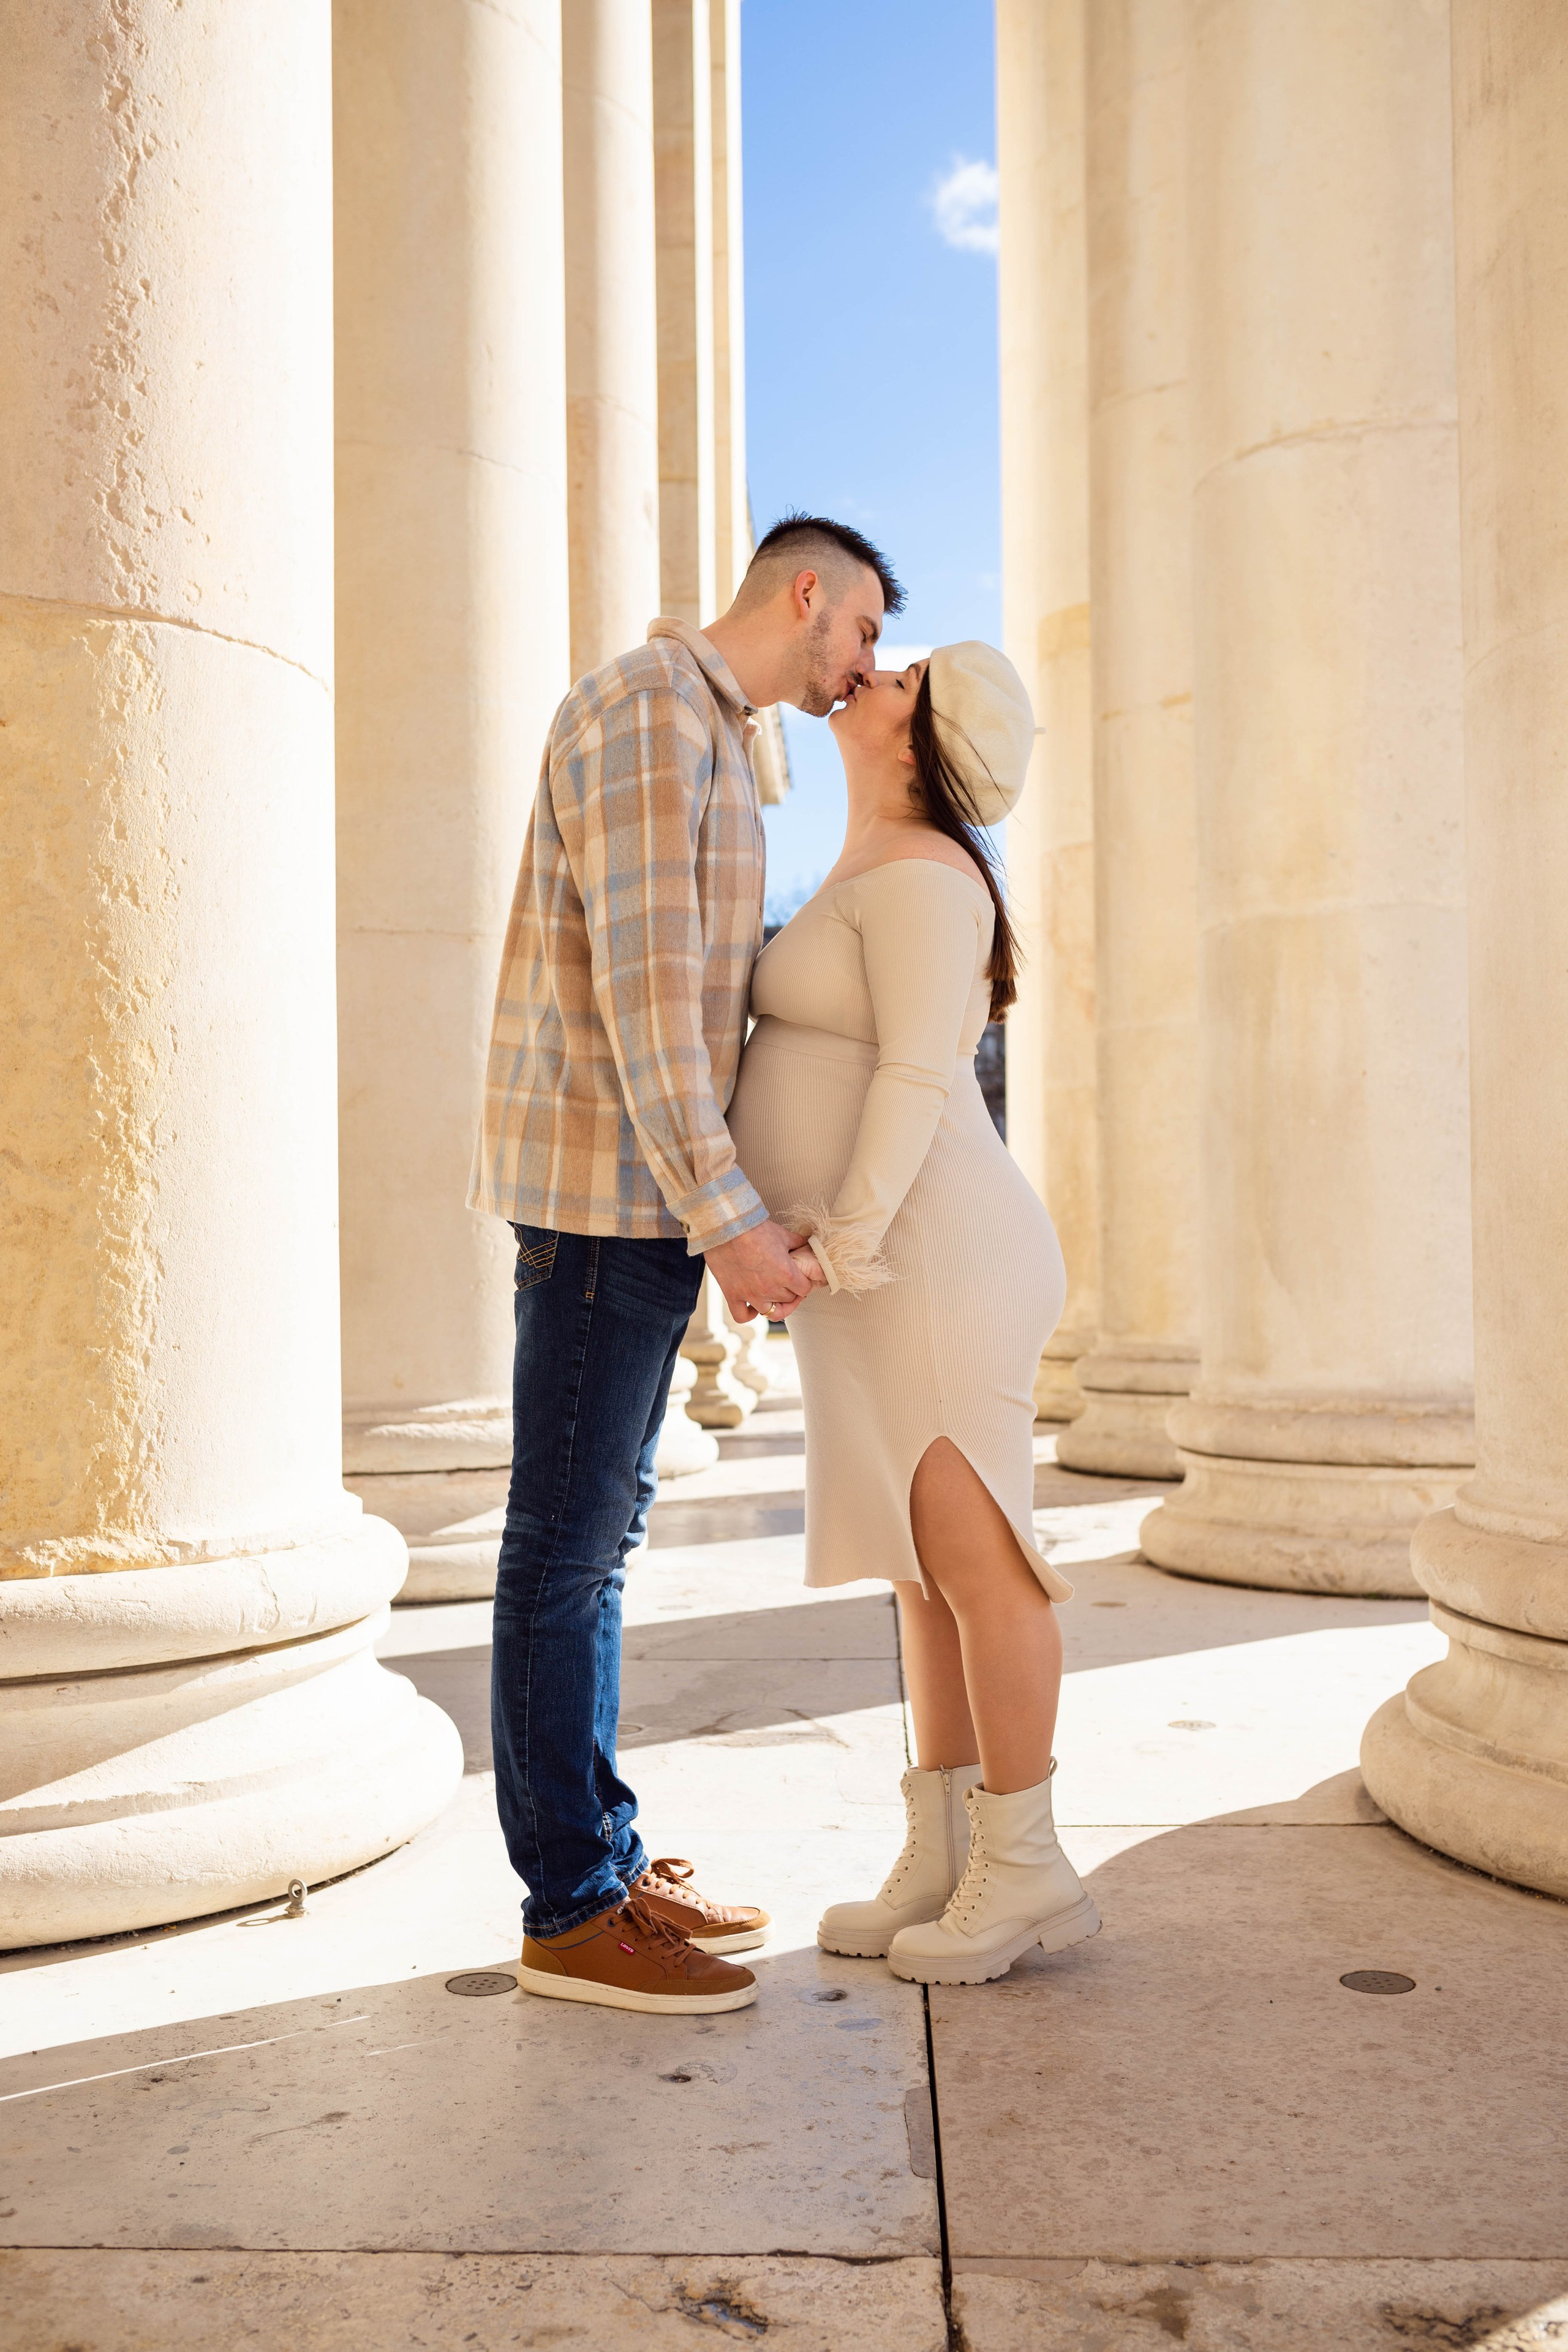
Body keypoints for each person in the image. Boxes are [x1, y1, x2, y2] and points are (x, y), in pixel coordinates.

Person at [470, 513, 905, 2015]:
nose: (862, 670)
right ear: (808, 596)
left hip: (629, 1199)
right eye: (858, 635)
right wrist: (725, 1215)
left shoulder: (709, 728)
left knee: (596, 1542)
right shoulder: (657, 711)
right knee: (563, 1549)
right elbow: (654, 998)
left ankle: (598, 1851)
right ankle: (569, 1909)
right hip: (608, 1197)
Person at [726, 642, 1101, 1986]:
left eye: (901, 672)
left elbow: (912, 1084)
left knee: (976, 1554)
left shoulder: (931, 879)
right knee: (915, 1561)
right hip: (882, 1272)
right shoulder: (867, 859)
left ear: (919, 734)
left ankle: (1029, 1865)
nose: (869, 667)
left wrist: (845, 1242)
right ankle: (947, 1849)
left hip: (932, 1258)